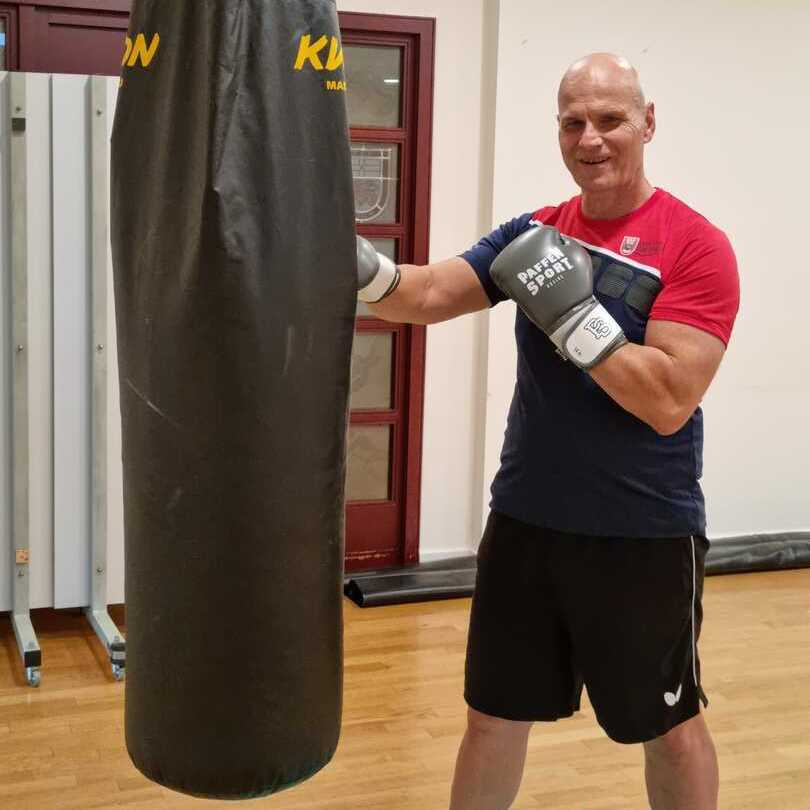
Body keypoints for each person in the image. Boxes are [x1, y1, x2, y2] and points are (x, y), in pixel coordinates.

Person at [356, 52, 739, 810]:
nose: (590, 138)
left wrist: (572, 316)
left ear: (647, 122)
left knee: (668, 726)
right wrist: (355, 265)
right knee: (493, 716)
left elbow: (667, 400)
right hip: (528, 521)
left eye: (610, 119)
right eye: (573, 122)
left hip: (641, 534)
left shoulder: (694, 245)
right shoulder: (536, 232)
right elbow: (428, 292)